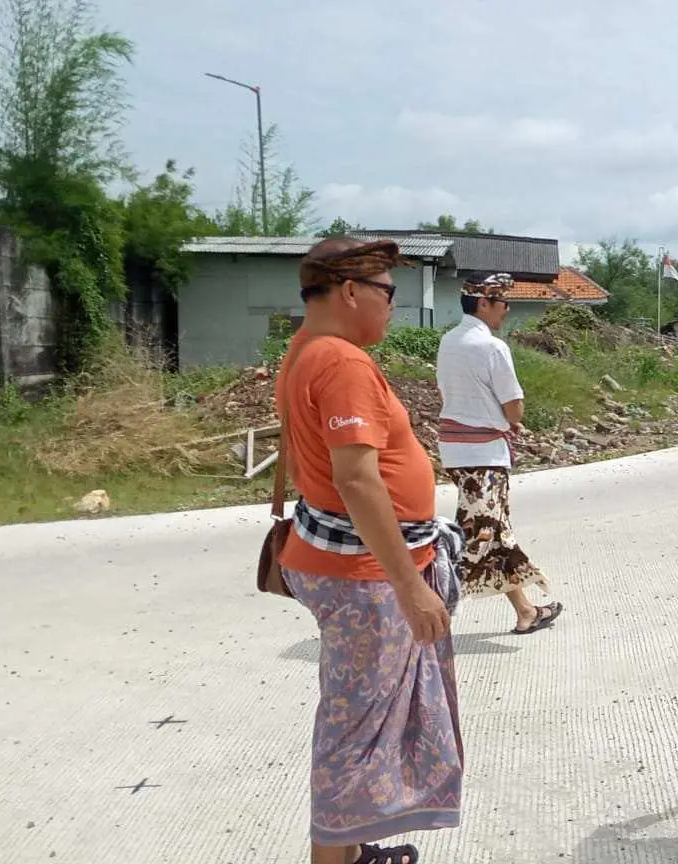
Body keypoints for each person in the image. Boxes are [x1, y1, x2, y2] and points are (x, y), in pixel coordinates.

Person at [276, 236, 464, 864]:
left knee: (361, 716)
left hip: (348, 563)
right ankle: (333, 860)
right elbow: (357, 478)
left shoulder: (306, 349)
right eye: (388, 292)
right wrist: (410, 586)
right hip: (365, 574)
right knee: (355, 727)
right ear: (351, 291)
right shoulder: (342, 362)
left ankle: (350, 851)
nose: (394, 306)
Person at [436, 273, 563, 635]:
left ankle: (525, 611)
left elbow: (462, 396)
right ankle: (427, 604)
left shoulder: (448, 341)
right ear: (484, 304)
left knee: (494, 532)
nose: (507, 310)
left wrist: (495, 419)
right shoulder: (491, 347)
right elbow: (514, 409)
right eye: (503, 303)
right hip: (484, 455)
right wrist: (509, 419)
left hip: (457, 451)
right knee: (480, 538)